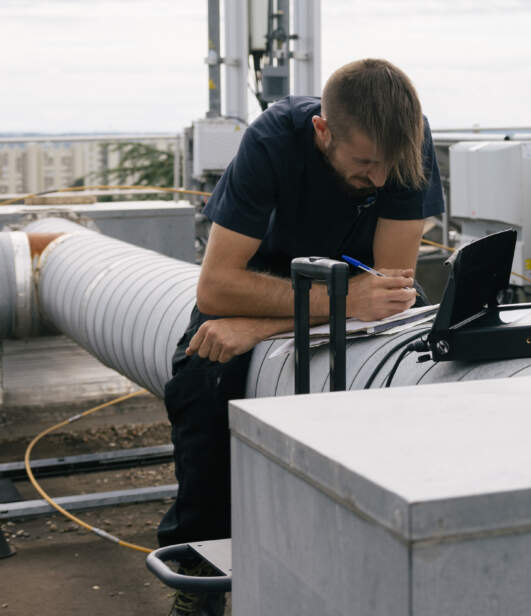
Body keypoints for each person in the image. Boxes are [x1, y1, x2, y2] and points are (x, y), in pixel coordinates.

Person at [157, 58, 444, 616]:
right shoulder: (272, 141)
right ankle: (198, 574)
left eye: (389, 166)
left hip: (344, 303)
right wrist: (329, 303)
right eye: (364, 163)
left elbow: (388, 294)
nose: (381, 180)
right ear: (322, 131)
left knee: (421, 374)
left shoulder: (406, 141)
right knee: (201, 374)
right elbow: (217, 289)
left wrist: (263, 327)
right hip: (265, 282)